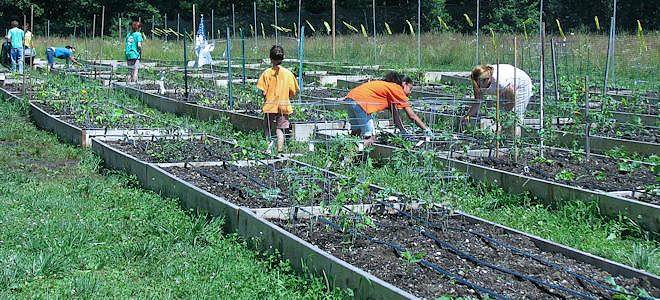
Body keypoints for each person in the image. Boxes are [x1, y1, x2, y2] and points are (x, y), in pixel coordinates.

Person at [343, 72, 431, 147]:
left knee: (356, 132)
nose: (410, 92)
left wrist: (403, 131)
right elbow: (412, 116)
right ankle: (349, 154)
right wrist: (426, 130)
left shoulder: (389, 89)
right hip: (361, 103)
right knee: (370, 138)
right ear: (404, 84)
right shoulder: (397, 90)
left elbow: (395, 116)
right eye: (410, 88)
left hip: (351, 98)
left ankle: (343, 154)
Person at [256, 45, 299, 153]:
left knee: (269, 128)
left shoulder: (266, 73)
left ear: (270, 58)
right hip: (284, 105)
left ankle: (269, 149)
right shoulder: (288, 74)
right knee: (281, 129)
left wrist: (266, 97)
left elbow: (262, 90)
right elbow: (293, 91)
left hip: (270, 105)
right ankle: (279, 151)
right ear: (282, 58)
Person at [463, 64, 533, 125]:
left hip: (521, 84)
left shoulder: (500, 82)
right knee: (503, 117)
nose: (478, 86)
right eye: (476, 83)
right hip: (506, 85)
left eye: (479, 83)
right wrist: (468, 115)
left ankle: (514, 138)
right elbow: (478, 101)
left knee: (515, 117)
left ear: (487, 79)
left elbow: (511, 99)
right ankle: (504, 136)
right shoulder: (477, 79)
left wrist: (506, 114)